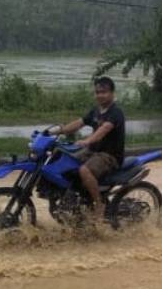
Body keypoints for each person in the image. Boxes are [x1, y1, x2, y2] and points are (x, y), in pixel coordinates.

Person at [48, 76, 126, 214]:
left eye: (104, 92)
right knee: (66, 161)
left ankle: (99, 204)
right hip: (93, 152)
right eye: (97, 92)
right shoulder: (95, 111)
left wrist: (87, 141)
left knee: (84, 170)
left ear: (112, 93)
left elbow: (104, 130)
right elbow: (79, 123)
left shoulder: (116, 113)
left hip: (110, 156)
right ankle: (72, 196)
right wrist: (58, 130)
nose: (100, 95)